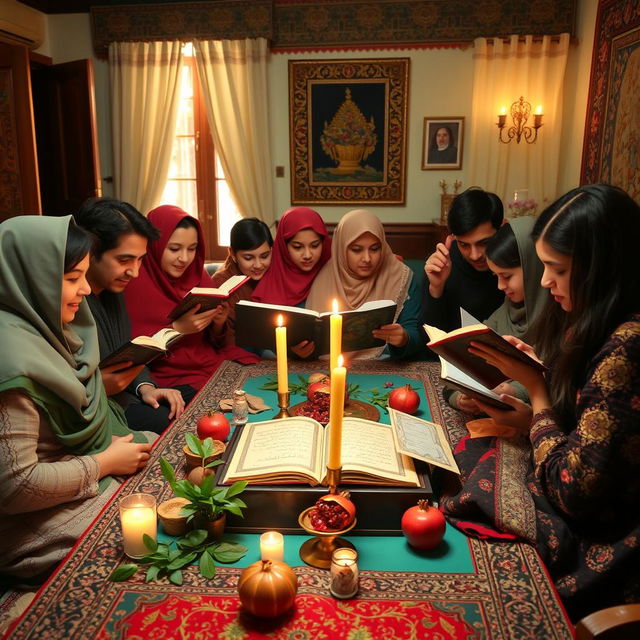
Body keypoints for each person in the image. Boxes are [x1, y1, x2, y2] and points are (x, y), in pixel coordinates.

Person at [441, 184, 640, 620]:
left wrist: (535, 390)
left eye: (557, 268)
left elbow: (574, 489)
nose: (545, 280)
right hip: (581, 479)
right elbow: (586, 420)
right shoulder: (594, 321)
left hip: (613, 532)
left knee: (470, 493)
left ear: (600, 269)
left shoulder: (628, 347)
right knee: (464, 463)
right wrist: (537, 387)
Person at [0, 216, 154, 583]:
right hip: (30, 522)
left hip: (80, 471)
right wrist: (102, 463)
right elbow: (16, 487)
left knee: (175, 473)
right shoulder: (11, 357)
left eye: (84, 275)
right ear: (31, 278)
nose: (85, 289)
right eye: (71, 279)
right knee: (151, 537)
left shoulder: (54, 329)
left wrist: (105, 454)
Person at [75, 198, 186, 434]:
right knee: (172, 423)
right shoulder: (71, 301)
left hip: (124, 397)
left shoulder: (112, 289)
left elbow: (125, 355)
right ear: (90, 251)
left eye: (140, 260)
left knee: (187, 399)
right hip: (96, 412)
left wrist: (145, 387)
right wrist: (99, 387)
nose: (135, 272)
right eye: (124, 260)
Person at [124, 205, 258, 394]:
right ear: (154, 244)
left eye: (192, 249)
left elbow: (215, 342)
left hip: (210, 364)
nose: (184, 258)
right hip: (167, 378)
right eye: (174, 249)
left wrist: (218, 323)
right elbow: (130, 355)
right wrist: (177, 330)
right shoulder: (134, 283)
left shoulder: (197, 274)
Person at [449, 216, 546, 413]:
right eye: (496, 276)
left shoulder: (563, 319)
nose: (501, 286)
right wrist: (460, 398)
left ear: (533, 267)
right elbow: (459, 371)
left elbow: (557, 385)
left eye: (507, 276)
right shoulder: (507, 311)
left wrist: (513, 391)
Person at [306, 209, 423, 359]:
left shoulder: (401, 277)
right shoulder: (324, 278)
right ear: (342, 249)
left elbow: (417, 334)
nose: (367, 258)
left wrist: (404, 338)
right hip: (327, 372)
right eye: (356, 250)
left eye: (375, 249)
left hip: (385, 370)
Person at [422, 187, 505, 334]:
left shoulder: (515, 263)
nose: (475, 255)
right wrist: (436, 289)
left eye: (484, 243)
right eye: (464, 244)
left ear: (502, 228)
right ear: (453, 237)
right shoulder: (441, 265)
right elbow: (427, 343)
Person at [250, 206, 331, 358]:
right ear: (284, 246)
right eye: (297, 247)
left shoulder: (333, 271)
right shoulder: (271, 279)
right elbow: (258, 343)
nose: (307, 255)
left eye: (315, 245)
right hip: (281, 366)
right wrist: (287, 350)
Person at [209, 217, 273, 344]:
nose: (258, 265)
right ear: (232, 253)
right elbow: (219, 341)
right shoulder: (221, 284)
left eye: (265, 256)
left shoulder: (277, 271)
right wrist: (218, 325)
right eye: (248, 258)